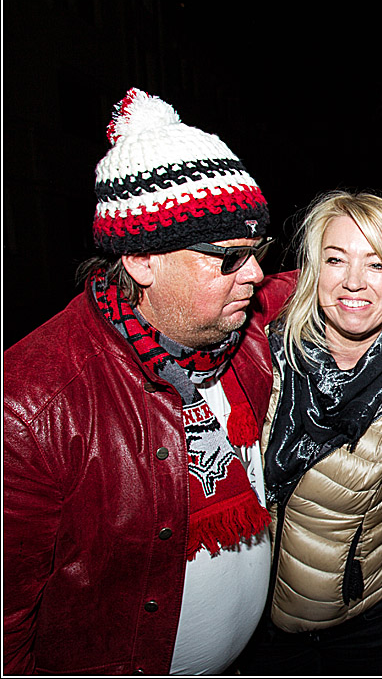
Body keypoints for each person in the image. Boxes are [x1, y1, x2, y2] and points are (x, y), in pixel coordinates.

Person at [3, 87, 292, 674]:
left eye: (257, 251)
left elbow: (325, 289)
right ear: (141, 260)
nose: (255, 273)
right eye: (230, 256)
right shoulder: (33, 405)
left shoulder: (238, 328)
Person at [239, 190, 382, 675]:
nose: (354, 282)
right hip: (256, 619)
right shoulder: (264, 352)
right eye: (336, 260)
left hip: (366, 617)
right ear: (312, 272)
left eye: (377, 264)